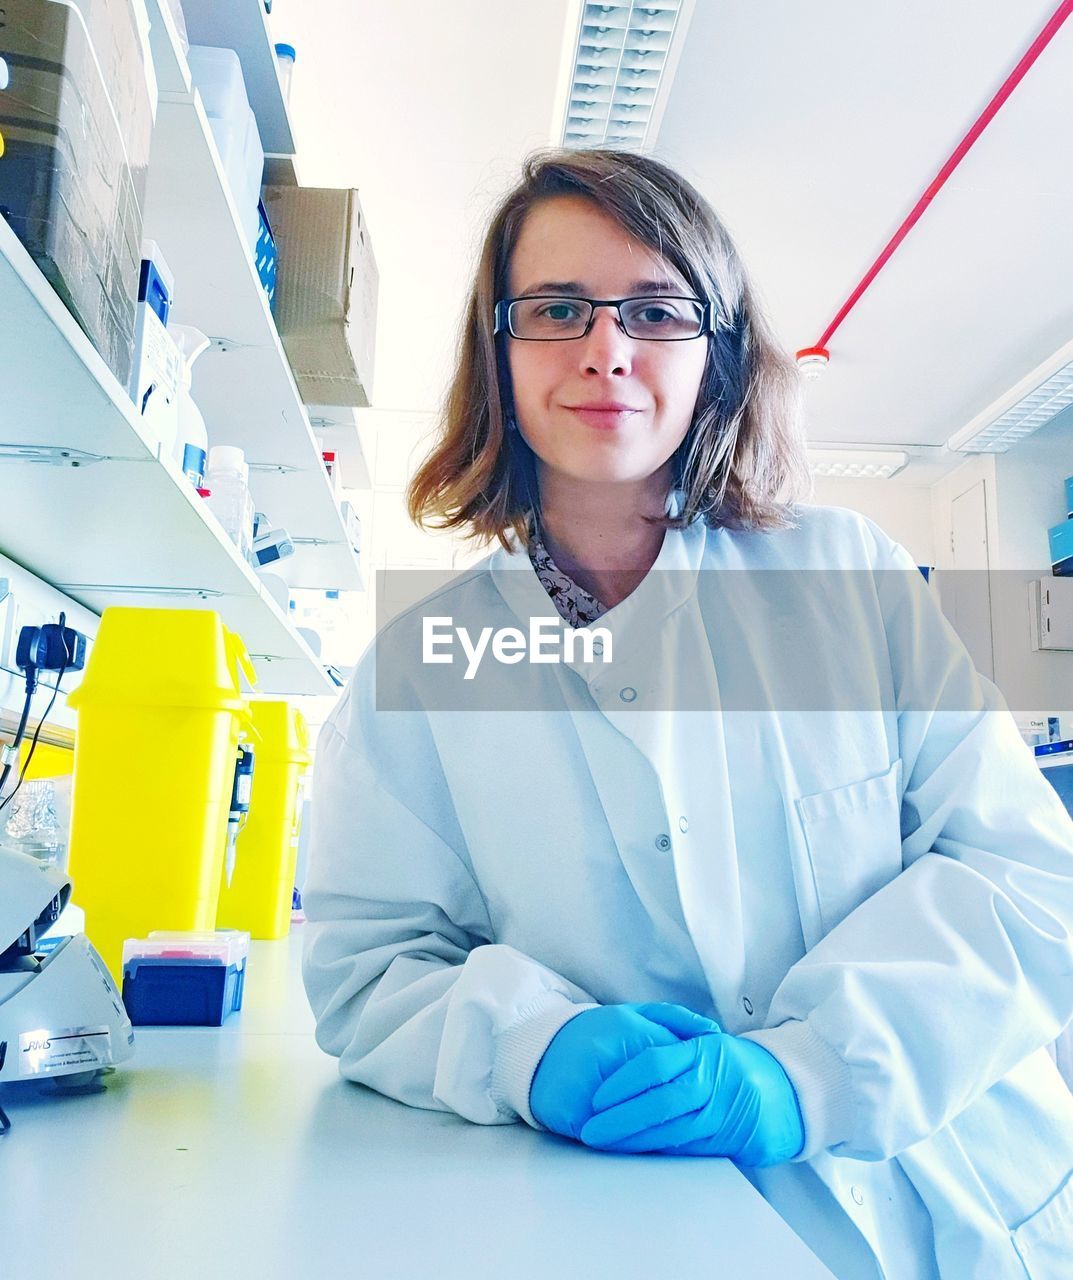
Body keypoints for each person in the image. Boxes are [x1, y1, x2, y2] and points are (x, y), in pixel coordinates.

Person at [302, 149, 1073, 1279]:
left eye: (655, 310)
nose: (605, 349)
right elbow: (372, 965)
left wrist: (807, 1071)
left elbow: (1020, 873)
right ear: (496, 348)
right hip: (649, 1221)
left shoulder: (847, 577)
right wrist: (531, 1042)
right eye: (557, 308)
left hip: (969, 1194)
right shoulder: (417, 666)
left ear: (712, 350)